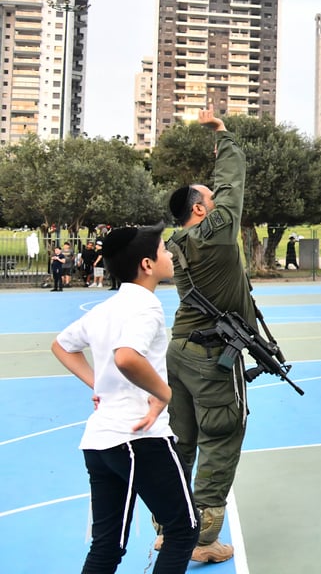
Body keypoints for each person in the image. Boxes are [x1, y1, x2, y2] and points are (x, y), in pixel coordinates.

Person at [52, 224, 200, 573]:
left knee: (107, 546)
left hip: (100, 442)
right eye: (165, 251)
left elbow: (62, 345)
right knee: (184, 529)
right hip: (138, 439)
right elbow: (126, 357)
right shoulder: (146, 308)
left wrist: (97, 385)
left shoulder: (105, 309)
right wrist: (164, 393)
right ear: (147, 264)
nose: (170, 257)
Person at [164, 109, 253, 563]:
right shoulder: (213, 235)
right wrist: (222, 136)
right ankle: (201, 542)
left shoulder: (176, 244)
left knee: (181, 441)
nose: (216, 202)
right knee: (220, 439)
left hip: (178, 351)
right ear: (199, 210)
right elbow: (232, 185)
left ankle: (168, 528)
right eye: (208, 199)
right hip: (210, 356)